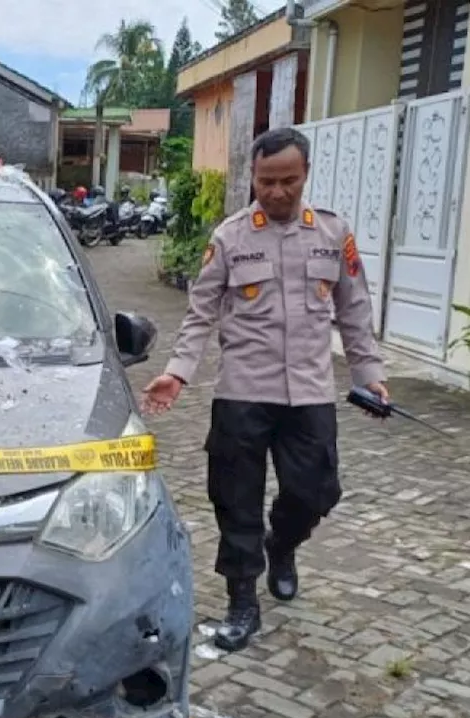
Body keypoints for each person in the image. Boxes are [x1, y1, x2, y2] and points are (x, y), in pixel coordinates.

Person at [141, 127, 388, 653]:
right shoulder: (230, 238)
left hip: (311, 394)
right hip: (243, 392)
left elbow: (355, 311)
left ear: (305, 177)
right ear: (252, 176)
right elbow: (200, 313)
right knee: (235, 499)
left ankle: (284, 545)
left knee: (316, 491)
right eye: (265, 181)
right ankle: (241, 601)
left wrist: (370, 376)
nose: (276, 192)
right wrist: (178, 372)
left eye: (288, 182)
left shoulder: (332, 234)